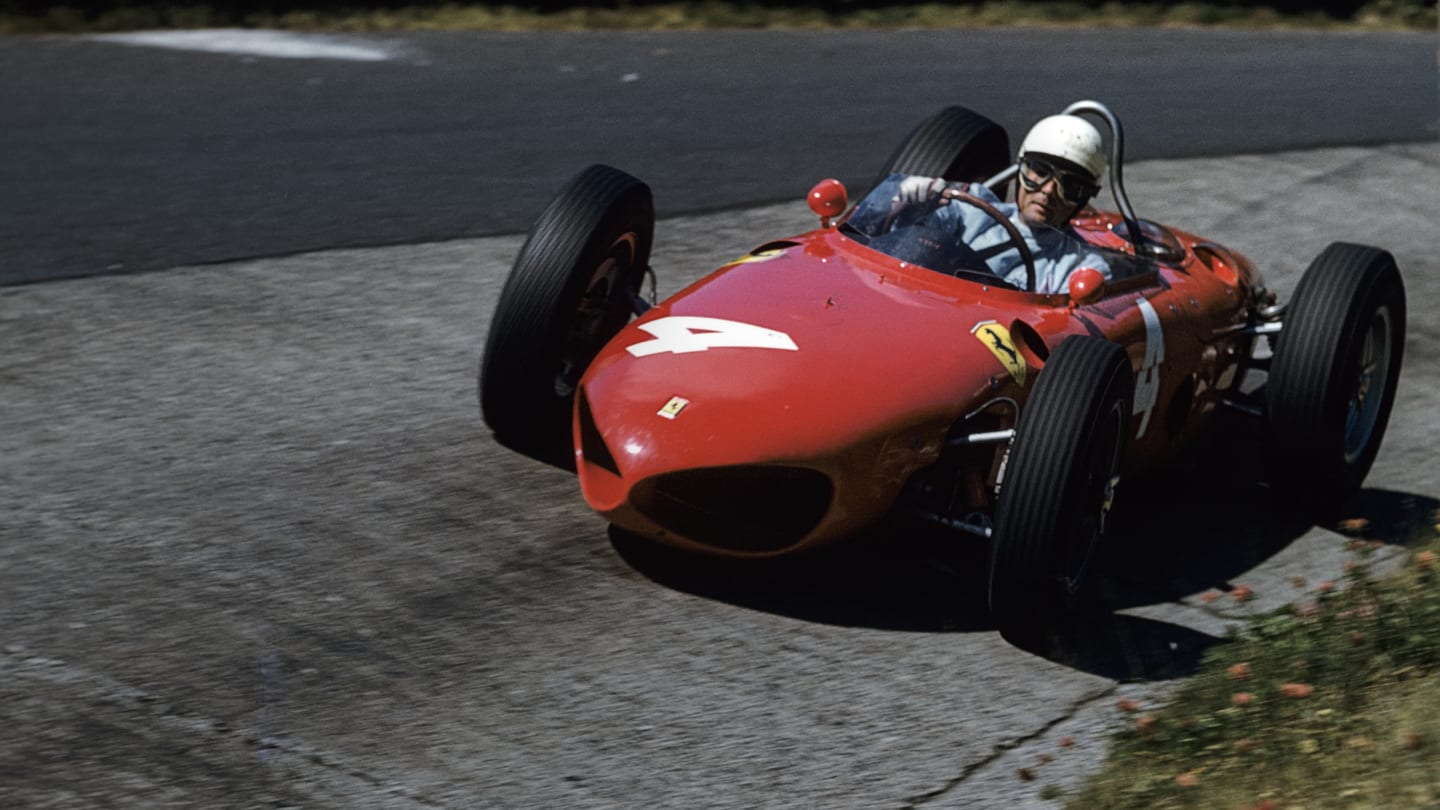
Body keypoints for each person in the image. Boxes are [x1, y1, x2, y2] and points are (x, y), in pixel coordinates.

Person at [893, 114, 1114, 293]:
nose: (1048, 191)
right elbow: (901, 240)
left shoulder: (1081, 267)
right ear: (1021, 170)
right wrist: (907, 203)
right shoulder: (971, 210)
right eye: (1040, 172)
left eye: (1070, 186)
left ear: (1084, 197)